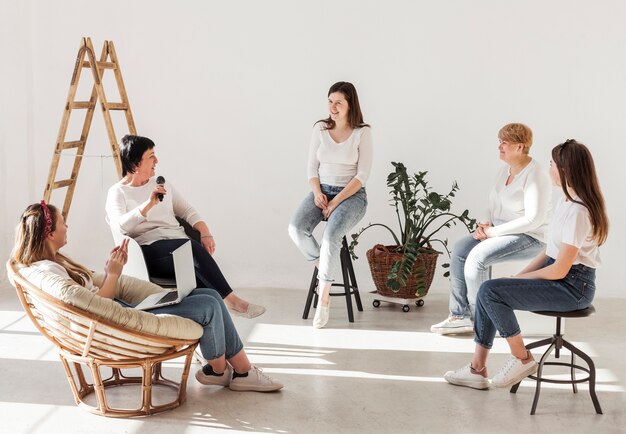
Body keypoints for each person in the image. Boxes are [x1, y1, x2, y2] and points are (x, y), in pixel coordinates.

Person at [11, 201, 283, 392]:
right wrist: (113, 274)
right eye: (62, 223)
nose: (67, 226)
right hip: (119, 320)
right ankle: (238, 372)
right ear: (49, 233)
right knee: (210, 303)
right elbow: (97, 308)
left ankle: (220, 371)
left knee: (208, 295)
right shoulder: (49, 269)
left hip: (121, 310)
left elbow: (92, 301)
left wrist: (109, 272)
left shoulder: (48, 264)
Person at [444, 139, 609, 390]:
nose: (549, 167)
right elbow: (548, 252)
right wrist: (517, 277)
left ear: (566, 170)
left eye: (553, 164)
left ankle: (522, 359)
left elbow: (560, 269)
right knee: (492, 288)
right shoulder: (566, 202)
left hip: (573, 289)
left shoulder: (578, 212)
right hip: (561, 279)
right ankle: (477, 370)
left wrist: (517, 281)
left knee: (490, 291)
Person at [105, 135, 265, 319]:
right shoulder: (117, 192)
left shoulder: (161, 184)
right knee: (189, 250)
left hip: (178, 246)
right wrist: (148, 204)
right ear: (135, 164)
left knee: (205, 289)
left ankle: (218, 324)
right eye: (150, 156)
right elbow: (119, 226)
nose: (156, 161)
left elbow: (187, 211)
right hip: (148, 253)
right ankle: (235, 302)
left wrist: (205, 232)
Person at [431, 123, 551, 335]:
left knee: (478, 257)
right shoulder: (505, 170)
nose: (500, 146)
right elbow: (492, 202)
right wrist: (484, 225)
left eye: (505, 142)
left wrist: (492, 233)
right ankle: (459, 315)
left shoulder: (536, 174)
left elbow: (533, 220)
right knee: (460, 250)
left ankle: (483, 321)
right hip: (499, 231)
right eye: (499, 142)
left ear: (521, 147)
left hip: (530, 237)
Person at [288, 81, 372, 329]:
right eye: (330, 101)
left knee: (331, 236)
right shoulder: (321, 128)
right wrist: (317, 193)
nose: (332, 107)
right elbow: (311, 168)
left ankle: (323, 299)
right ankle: (322, 263)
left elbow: (362, 175)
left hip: (352, 196)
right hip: (321, 191)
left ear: (350, 105)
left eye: (338, 102)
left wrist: (336, 201)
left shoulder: (362, 132)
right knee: (296, 228)